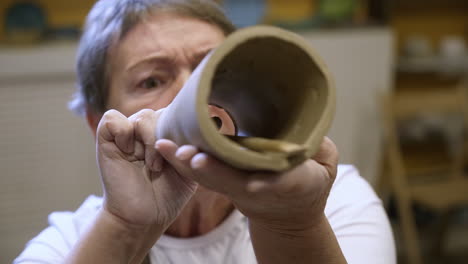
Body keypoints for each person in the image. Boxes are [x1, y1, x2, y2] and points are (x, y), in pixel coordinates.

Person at [14, 0, 396, 263]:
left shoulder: (332, 200)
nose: (189, 94)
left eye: (209, 69)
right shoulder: (70, 242)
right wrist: (126, 228)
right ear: (99, 123)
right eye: (151, 80)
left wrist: (293, 224)